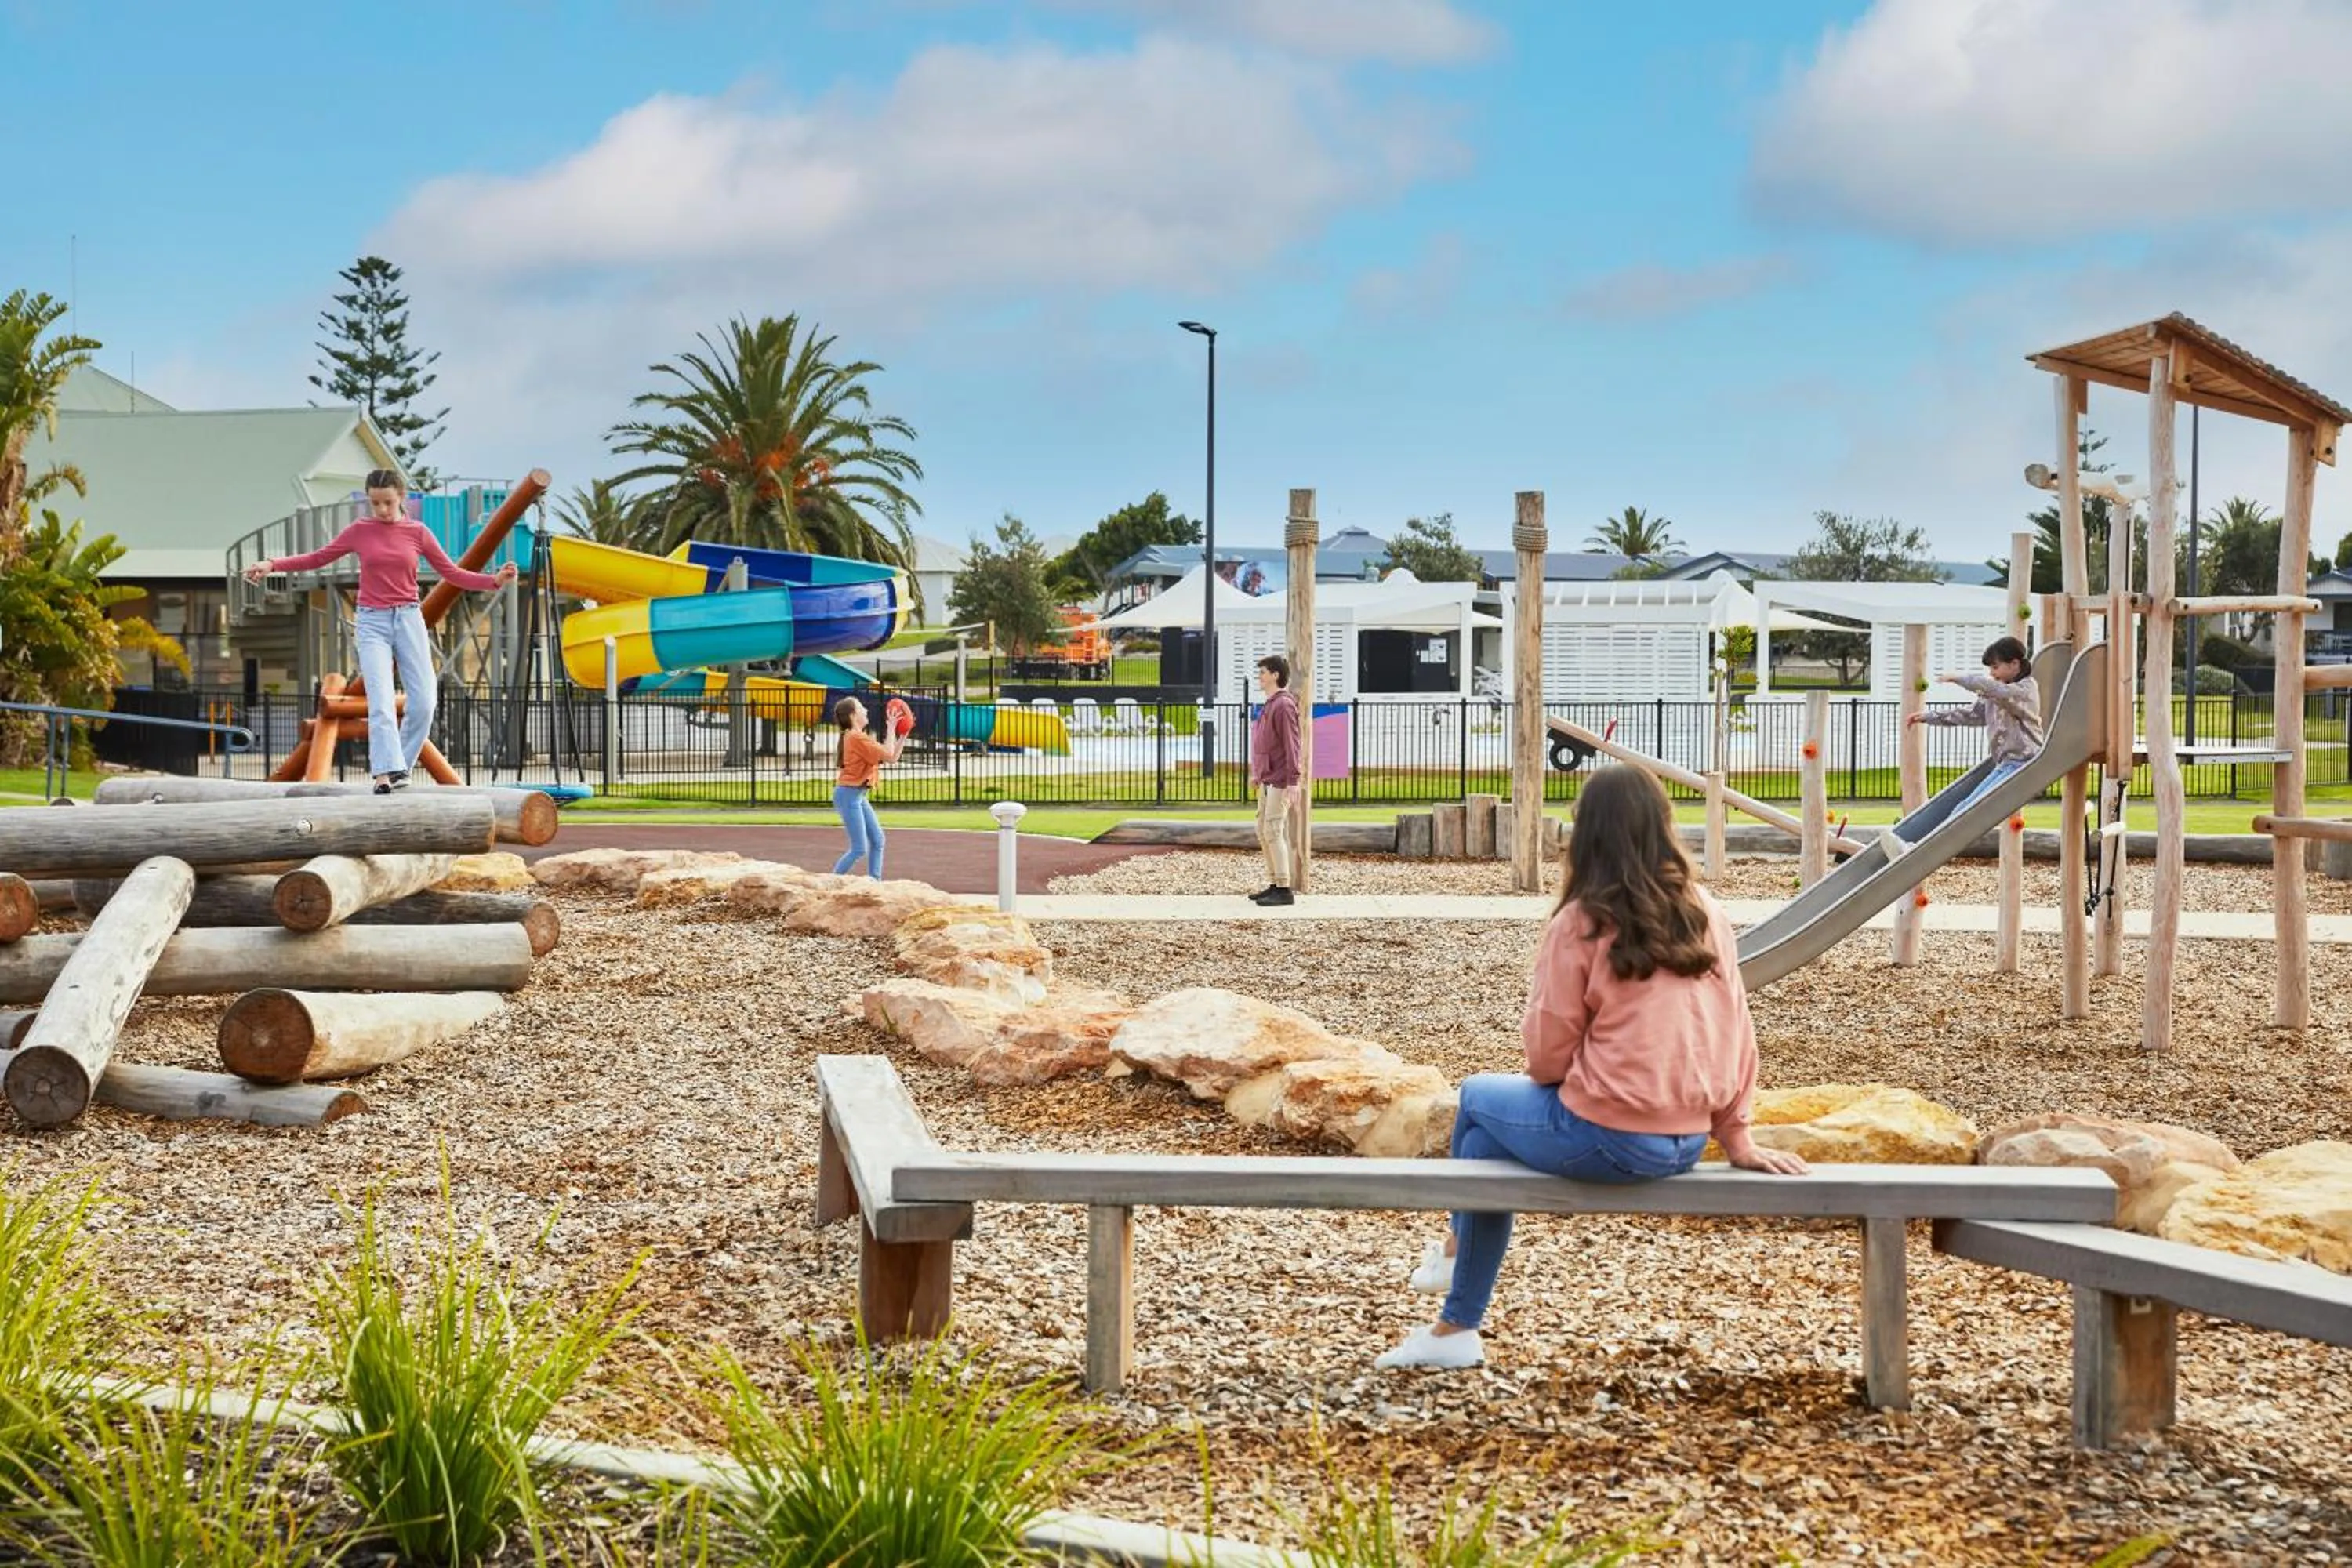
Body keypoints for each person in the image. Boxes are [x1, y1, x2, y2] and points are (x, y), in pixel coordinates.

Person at [1377, 764, 1809, 1371]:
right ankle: (1451, 1319)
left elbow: (1546, 1054)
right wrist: (1735, 1132)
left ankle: (1456, 1284)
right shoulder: (1705, 910)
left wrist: (1580, 1087)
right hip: (1684, 1141)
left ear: (1588, 835)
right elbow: (1736, 1023)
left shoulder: (1582, 921)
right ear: (1663, 827)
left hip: (1608, 1138)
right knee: (1479, 1145)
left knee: (1475, 1098)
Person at [242, 470, 517, 793]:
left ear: (401, 497)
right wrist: (273, 564)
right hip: (372, 622)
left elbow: (452, 573)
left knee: (425, 701)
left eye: (388, 502)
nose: (383, 510)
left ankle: (401, 765)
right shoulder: (360, 531)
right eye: (375, 504)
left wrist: (493, 581)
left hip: (409, 619)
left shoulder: (418, 532)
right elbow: (319, 558)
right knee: (382, 702)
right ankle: (384, 774)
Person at [1883, 635, 2042, 860]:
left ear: (2014, 664)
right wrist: (1929, 717)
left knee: (1969, 807)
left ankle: (1918, 850)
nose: (1992, 673)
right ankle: (1915, 847)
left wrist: (1961, 679)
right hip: (2006, 764)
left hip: (2025, 763)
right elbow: (1970, 714)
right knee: (1965, 805)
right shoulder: (1995, 694)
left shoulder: (2025, 689)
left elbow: (2000, 692)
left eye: (1996, 667)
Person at [831, 695, 906, 880]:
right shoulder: (856, 737)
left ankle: (875, 882)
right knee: (858, 849)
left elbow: (892, 758)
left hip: (856, 795)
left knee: (878, 840)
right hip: (848, 795)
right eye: (862, 707)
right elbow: (888, 753)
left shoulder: (859, 738)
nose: (866, 710)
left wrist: (903, 735)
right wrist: (891, 728)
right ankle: (831, 882)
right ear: (853, 715)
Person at [1247, 654, 1301, 906]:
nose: (1260, 677)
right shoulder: (1270, 704)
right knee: (1263, 830)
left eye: (1263, 672)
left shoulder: (1283, 705)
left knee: (1273, 830)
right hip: (1268, 778)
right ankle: (1273, 884)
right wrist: (1257, 773)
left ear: (1275, 675)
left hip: (1280, 779)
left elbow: (1292, 745)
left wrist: (1293, 780)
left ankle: (1284, 888)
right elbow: (1263, 744)